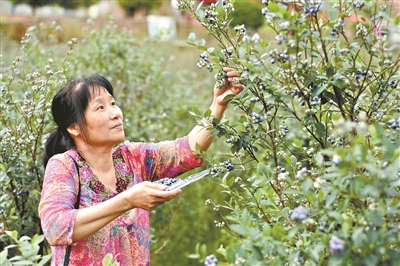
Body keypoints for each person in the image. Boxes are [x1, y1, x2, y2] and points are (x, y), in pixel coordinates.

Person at [38, 67, 244, 266]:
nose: (115, 113)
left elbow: (187, 150)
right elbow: (55, 227)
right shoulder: (64, 165)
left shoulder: (132, 158)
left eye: (113, 103)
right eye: (100, 107)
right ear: (73, 127)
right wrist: (127, 200)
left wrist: (218, 104)